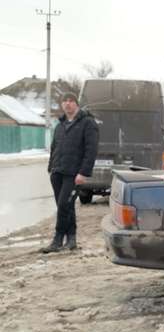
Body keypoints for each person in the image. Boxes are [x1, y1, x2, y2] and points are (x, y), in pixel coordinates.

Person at [41, 92, 99, 253]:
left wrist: (83, 173)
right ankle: (71, 239)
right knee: (66, 206)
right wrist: (51, 167)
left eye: (71, 101)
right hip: (58, 172)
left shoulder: (88, 123)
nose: (67, 104)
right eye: (65, 101)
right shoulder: (60, 125)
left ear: (77, 104)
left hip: (74, 174)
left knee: (63, 205)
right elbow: (54, 148)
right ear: (62, 105)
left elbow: (91, 150)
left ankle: (57, 239)